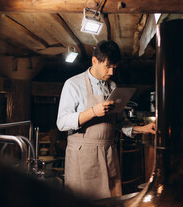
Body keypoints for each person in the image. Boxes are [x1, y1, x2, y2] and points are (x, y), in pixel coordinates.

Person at [56, 40, 156, 200]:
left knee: (111, 200)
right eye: (107, 66)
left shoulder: (112, 86)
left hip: (108, 152)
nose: (111, 72)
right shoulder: (73, 85)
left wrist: (142, 129)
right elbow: (62, 123)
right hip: (84, 155)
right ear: (95, 61)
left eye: (114, 68)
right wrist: (93, 112)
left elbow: (118, 122)